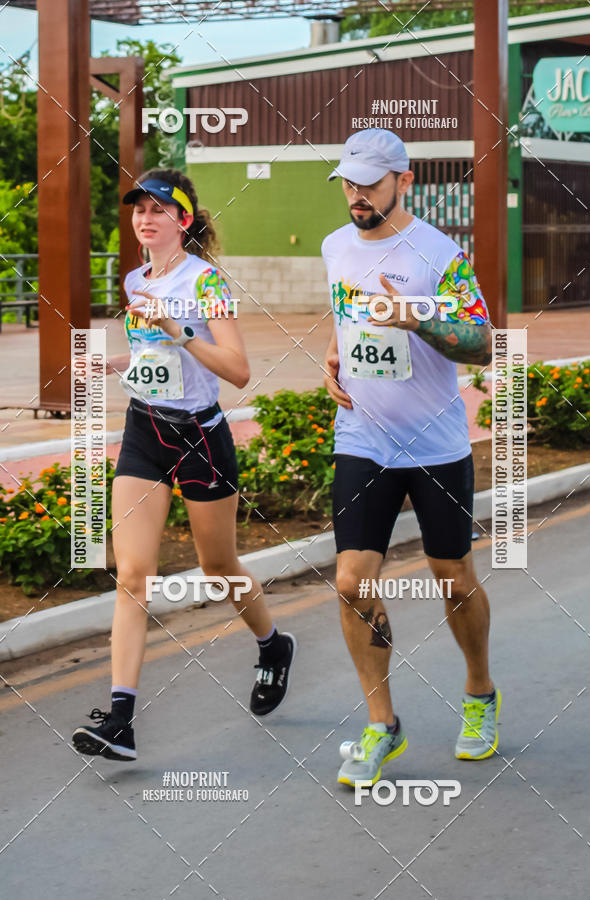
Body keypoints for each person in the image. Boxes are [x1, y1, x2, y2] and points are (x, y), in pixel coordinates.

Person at [72, 168, 296, 761]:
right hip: (144, 430)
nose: (144, 219)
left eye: (158, 210)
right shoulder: (134, 279)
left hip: (200, 435)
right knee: (132, 571)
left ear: (183, 220)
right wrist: (120, 362)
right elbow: (155, 355)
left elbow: (238, 370)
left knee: (217, 565)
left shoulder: (209, 282)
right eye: (138, 209)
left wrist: (177, 328)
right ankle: (120, 717)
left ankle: (272, 644)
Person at [321, 130, 499, 788]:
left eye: (370, 181)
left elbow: (481, 342)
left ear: (406, 179)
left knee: (452, 575)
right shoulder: (335, 247)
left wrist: (418, 319)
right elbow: (344, 317)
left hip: (436, 443)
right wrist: (336, 356)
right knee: (349, 581)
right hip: (364, 436)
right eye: (348, 180)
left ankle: (479, 693)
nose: (357, 193)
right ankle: (381, 725)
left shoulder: (440, 255)